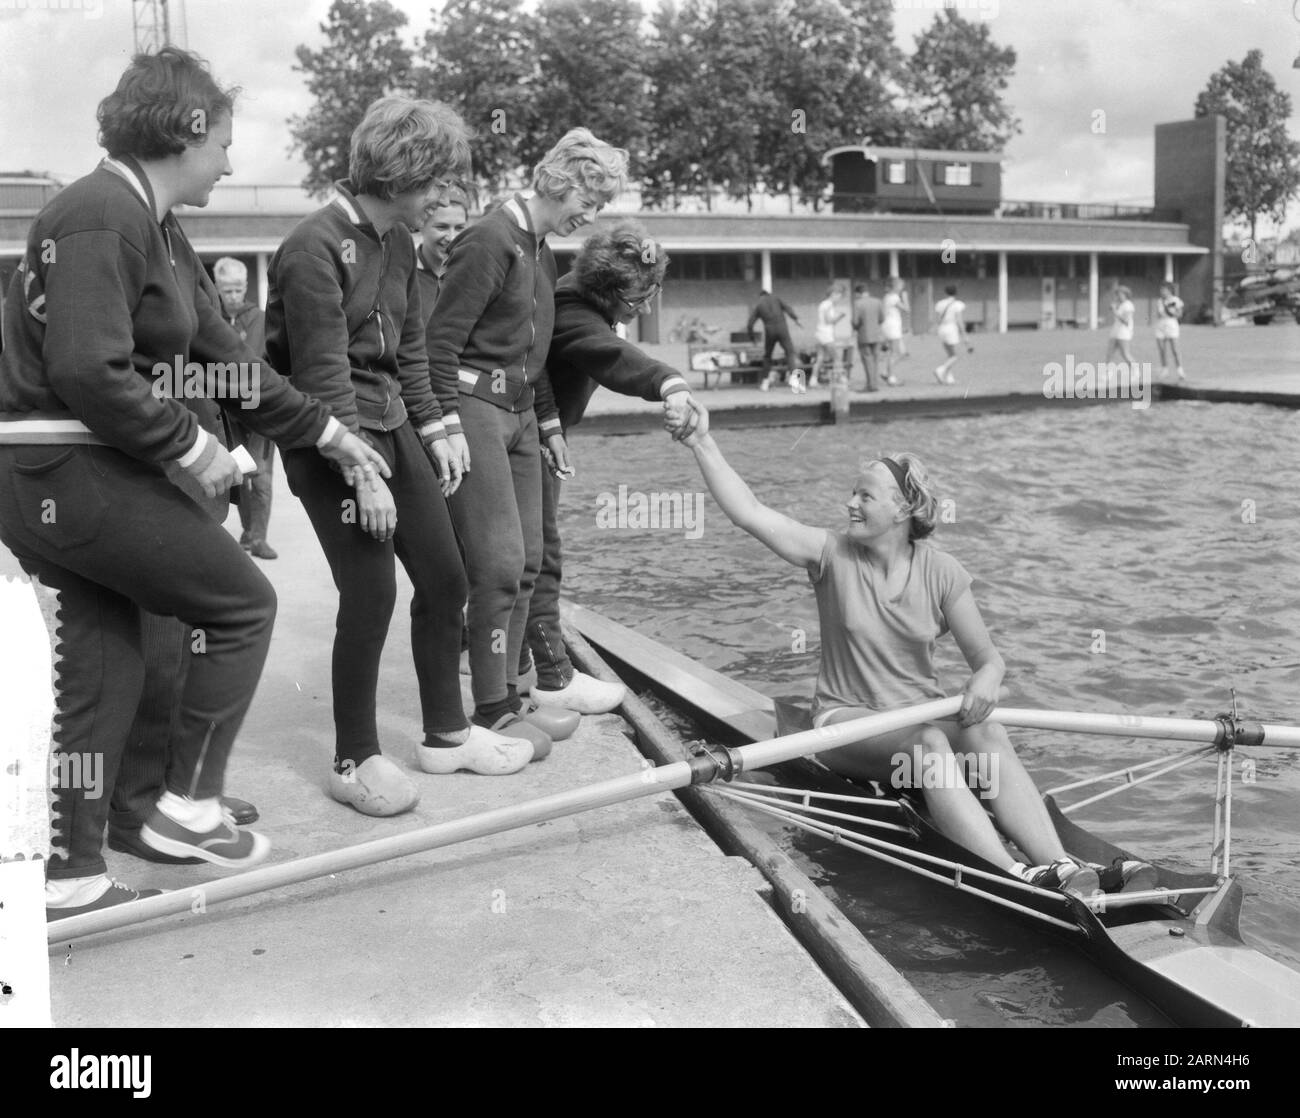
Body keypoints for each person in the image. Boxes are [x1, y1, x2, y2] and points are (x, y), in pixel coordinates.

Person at [0, 48, 390, 918]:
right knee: (242, 604)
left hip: (68, 469)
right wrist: (190, 446)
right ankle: (188, 806)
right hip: (66, 464)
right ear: (185, 131)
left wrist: (332, 436)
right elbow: (87, 368)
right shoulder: (104, 213)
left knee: (116, 663)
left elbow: (230, 367)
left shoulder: (157, 226)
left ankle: (82, 867)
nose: (231, 160)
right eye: (223, 140)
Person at [673, 407, 1157, 899]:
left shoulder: (942, 571)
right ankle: (1012, 875)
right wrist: (702, 442)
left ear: (903, 509)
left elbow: (988, 660)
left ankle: (1061, 865)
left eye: (865, 495)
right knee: (930, 742)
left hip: (918, 717)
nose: (849, 504)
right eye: (852, 493)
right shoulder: (830, 553)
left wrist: (987, 681)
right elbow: (749, 512)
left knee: (985, 726)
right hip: (846, 725)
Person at [268, 98, 540, 815]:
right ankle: (353, 758)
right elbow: (324, 375)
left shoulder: (397, 243)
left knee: (447, 579)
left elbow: (412, 351)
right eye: (433, 183)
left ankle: (447, 735)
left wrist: (442, 426)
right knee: (370, 593)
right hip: (328, 434)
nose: (440, 198)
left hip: (388, 423)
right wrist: (359, 472)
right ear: (401, 175)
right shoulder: (313, 246)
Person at [426, 128, 628, 756]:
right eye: (588, 201)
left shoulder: (540, 248)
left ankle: (512, 695)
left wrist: (548, 427)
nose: (590, 217)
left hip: (519, 413)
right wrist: (443, 428)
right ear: (559, 183)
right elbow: (438, 344)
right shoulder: (489, 238)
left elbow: (532, 359)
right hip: (475, 407)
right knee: (499, 564)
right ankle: (490, 711)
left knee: (531, 560)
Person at [521, 221, 702, 711]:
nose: (643, 308)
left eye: (652, 293)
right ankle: (554, 676)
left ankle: (497, 655)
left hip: (536, 432)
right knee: (540, 553)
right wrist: (670, 382)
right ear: (605, 289)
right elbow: (612, 356)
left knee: (516, 553)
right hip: (530, 437)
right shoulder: (573, 310)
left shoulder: (575, 295)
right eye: (636, 298)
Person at [212, 256, 277, 559]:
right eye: (227, 291)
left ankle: (259, 538)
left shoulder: (262, 320)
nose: (234, 296)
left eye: (238, 290)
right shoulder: (210, 322)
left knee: (261, 475)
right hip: (228, 415)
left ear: (246, 287)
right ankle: (249, 531)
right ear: (218, 289)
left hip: (261, 413)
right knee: (241, 474)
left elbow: (272, 363)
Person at [415, 187, 470, 314]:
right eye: (442, 227)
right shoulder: (406, 274)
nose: (452, 238)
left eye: (459, 228)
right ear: (421, 225)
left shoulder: (475, 275)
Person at [746, 287, 801, 391]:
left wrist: (752, 338)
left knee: (767, 356)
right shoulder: (776, 299)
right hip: (783, 329)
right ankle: (796, 384)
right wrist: (795, 318)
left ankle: (765, 383)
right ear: (768, 294)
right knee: (790, 353)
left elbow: (750, 324)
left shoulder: (759, 305)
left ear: (760, 296)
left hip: (770, 331)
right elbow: (788, 309)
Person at [931, 283, 973, 385]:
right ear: (956, 292)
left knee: (950, 355)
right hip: (951, 329)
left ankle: (949, 377)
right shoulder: (957, 304)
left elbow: (937, 319)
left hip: (941, 329)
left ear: (945, 292)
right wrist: (964, 335)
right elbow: (959, 320)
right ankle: (940, 370)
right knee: (956, 355)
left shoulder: (940, 304)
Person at [812, 283, 848, 388]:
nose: (839, 299)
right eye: (839, 296)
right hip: (826, 335)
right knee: (836, 357)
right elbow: (829, 320)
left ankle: (813, 379)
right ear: (833, 294)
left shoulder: (823, 304)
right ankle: (841, 378)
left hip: (819, 333)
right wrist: (840, 316)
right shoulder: (828, 305)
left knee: (820, 358)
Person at [850, 282, 883, 392]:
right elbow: (882, 318)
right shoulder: (877, 301)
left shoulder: (857, 303)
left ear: (858, 293)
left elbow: (855, 321)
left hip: (864, 335)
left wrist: (854, 326)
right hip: (876, 335)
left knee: (867, 360)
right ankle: (875, 384)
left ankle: (870, 385)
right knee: (875, 360)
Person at [1154, 281, 1186, 382]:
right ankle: (1165, 369)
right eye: (1160, 290)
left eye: (1163, 290)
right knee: (1162, 349)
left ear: (1169, 290)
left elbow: (1180, 314)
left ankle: (1180, 370)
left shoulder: (1175, 300)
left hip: (1171, 324)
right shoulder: (1159, 301)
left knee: (1175, 349)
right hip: (1161, 325)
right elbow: (1158, 314)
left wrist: (1171, 311)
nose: (1161, 292)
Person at [1105, 285, 1137, 380]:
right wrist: (1114, 307)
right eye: (1117, 294)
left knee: (1125, 354)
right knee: (1109, 353)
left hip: (1124, 332)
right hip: (1115, 330)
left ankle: (1135, 371)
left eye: (1120, 294)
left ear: (1125, 295)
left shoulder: (1129, 305)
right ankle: (1108, 373)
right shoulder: (1121, 304)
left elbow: (1125, 320)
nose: (1118, 296)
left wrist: (1115, 311)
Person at [881, 276, 908, 386]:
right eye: (901, 285)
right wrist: (905, 298)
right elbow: (907, 309)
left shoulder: (887, 297)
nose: (902, 287)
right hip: (893, 327)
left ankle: (887, 372)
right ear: (896, 286)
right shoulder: (894, 298)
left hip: (889, 326)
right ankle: (891, 378)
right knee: (895, 353)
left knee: (901, 353)